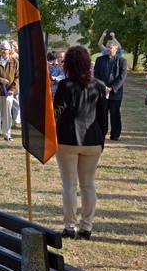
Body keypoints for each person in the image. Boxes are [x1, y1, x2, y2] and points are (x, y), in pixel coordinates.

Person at [53, 46, 109, 240]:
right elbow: (103, 118)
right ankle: (87, 225)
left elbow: (55, 113)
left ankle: (70, 226)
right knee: (88, 184)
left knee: (69, 185)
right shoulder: (99, 85)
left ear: (68, 63)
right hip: (93, 140)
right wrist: (101, 141)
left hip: (67, 139)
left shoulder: (65, 85)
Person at [93, 39, 127, 141]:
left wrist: (112, 88)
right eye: (106, 47)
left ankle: (115, 135)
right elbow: (97, 74)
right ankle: (102, 132)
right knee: (102, 113)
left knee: (115, 114)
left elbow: (122, 76)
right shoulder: (100, 60)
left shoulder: (122, 61)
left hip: (115, 92)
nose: (107, 49)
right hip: (102, 91)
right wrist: (103, 86)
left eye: (110, 47)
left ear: (116, 48)